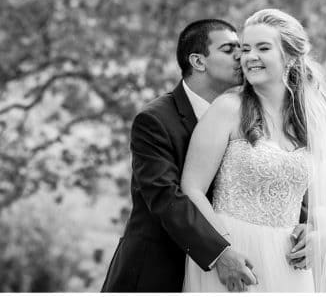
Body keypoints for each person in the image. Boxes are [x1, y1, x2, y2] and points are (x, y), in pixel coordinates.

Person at [181, 8, 326, 292]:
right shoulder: (227, 108)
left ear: (290, 57)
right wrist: (222, 251)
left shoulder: (314, 119)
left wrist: (318, 232)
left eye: (263, 48)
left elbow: (324, 196)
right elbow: (192, 188)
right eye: (246, 48)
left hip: (289, 263)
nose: (250, 57)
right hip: (235, 256)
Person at [101, 19, 259, 292]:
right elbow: (165, 196)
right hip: (159, 271)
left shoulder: (245, 116)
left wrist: (302, 223)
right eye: (229, 49)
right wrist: (220, 253)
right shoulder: (154, 120)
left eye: (241, 48)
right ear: (198, 61)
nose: (240, 56)